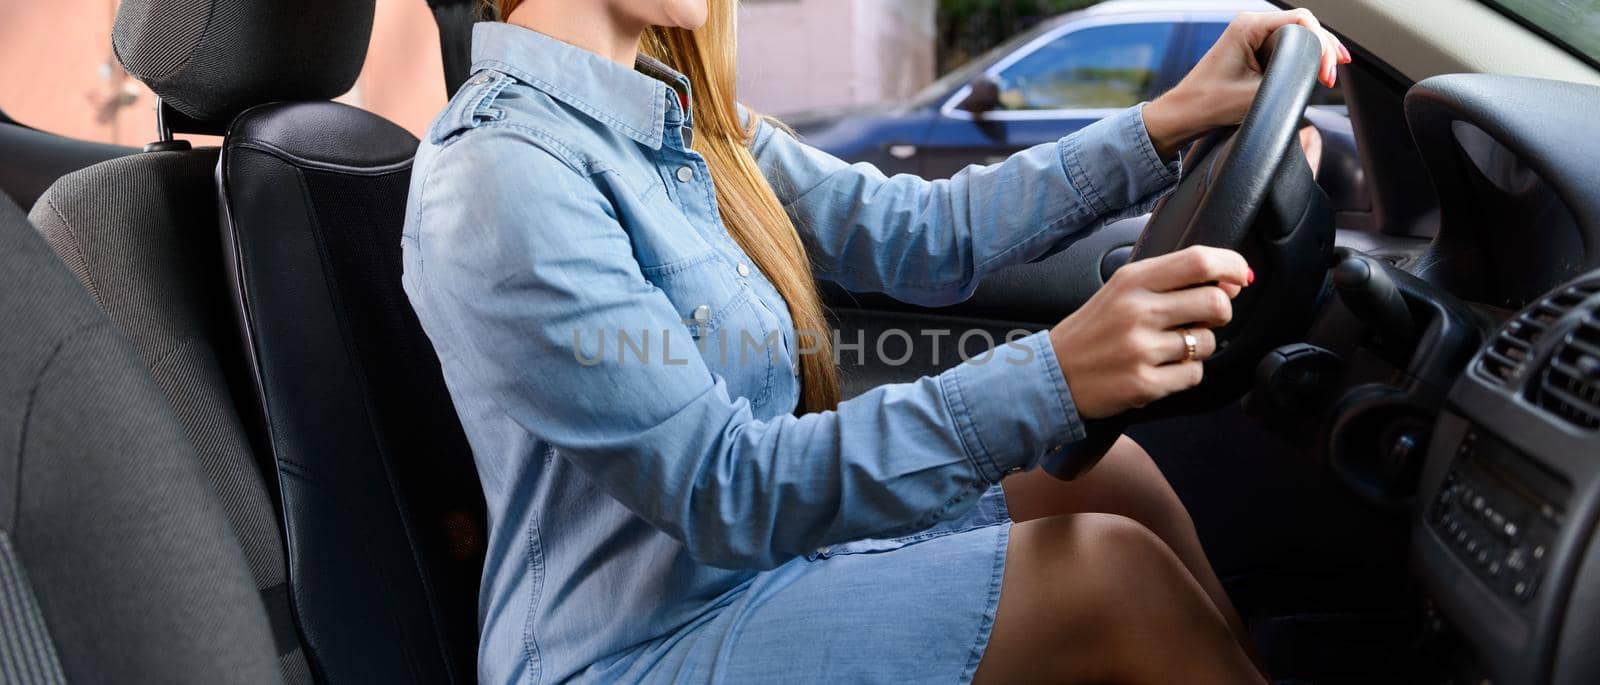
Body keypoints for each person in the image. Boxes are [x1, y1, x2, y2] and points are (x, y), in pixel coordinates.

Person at [401, 1, 1350, 682]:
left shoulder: (690, 129)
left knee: (1115, 475)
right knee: (1115, 579)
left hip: (761, 569)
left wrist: (1167, 121)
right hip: (639, 643)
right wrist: (1058, 372)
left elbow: (925, 234)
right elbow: (722, 487)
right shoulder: (501, 175)